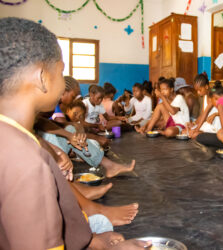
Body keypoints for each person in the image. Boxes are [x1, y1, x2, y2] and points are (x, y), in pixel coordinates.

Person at [0, 17, 149, 249]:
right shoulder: (27, 163)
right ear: (42, 78)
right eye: (61, 72)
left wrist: (91, 242)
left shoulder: (14, 137)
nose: (64, 86)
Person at [188, 73, 221, 139]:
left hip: (215, 125)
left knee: (194, 134)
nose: (198, 92)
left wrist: (197, 129)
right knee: (185, 132)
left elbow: (206, 113)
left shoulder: (213, 94)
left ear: (206, 86)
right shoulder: (205, 96)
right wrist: (194, 123)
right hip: (208, 123)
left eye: (200, 90)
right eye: (197, 90)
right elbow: (203, 114)